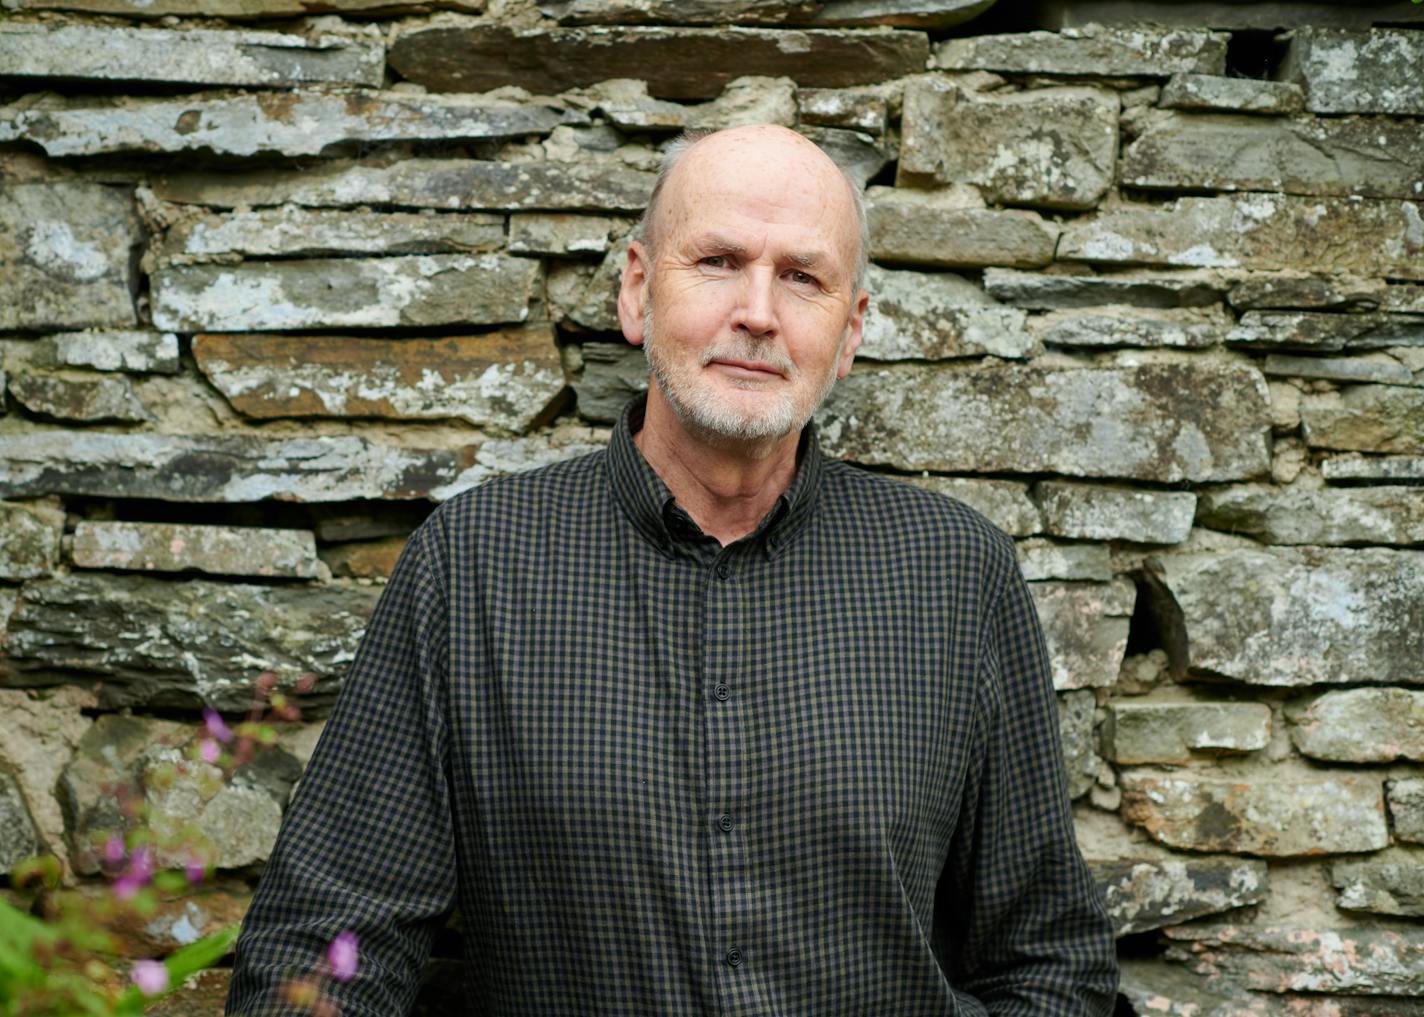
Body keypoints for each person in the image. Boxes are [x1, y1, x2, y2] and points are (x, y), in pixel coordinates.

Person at [227, 124, 1118, 1016]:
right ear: (638, 291)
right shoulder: (475, 568)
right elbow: (325, 949)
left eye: (802, 277)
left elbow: (1049, 965)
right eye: (720, 261)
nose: (759, 313)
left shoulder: (955, 575)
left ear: (849, 334)